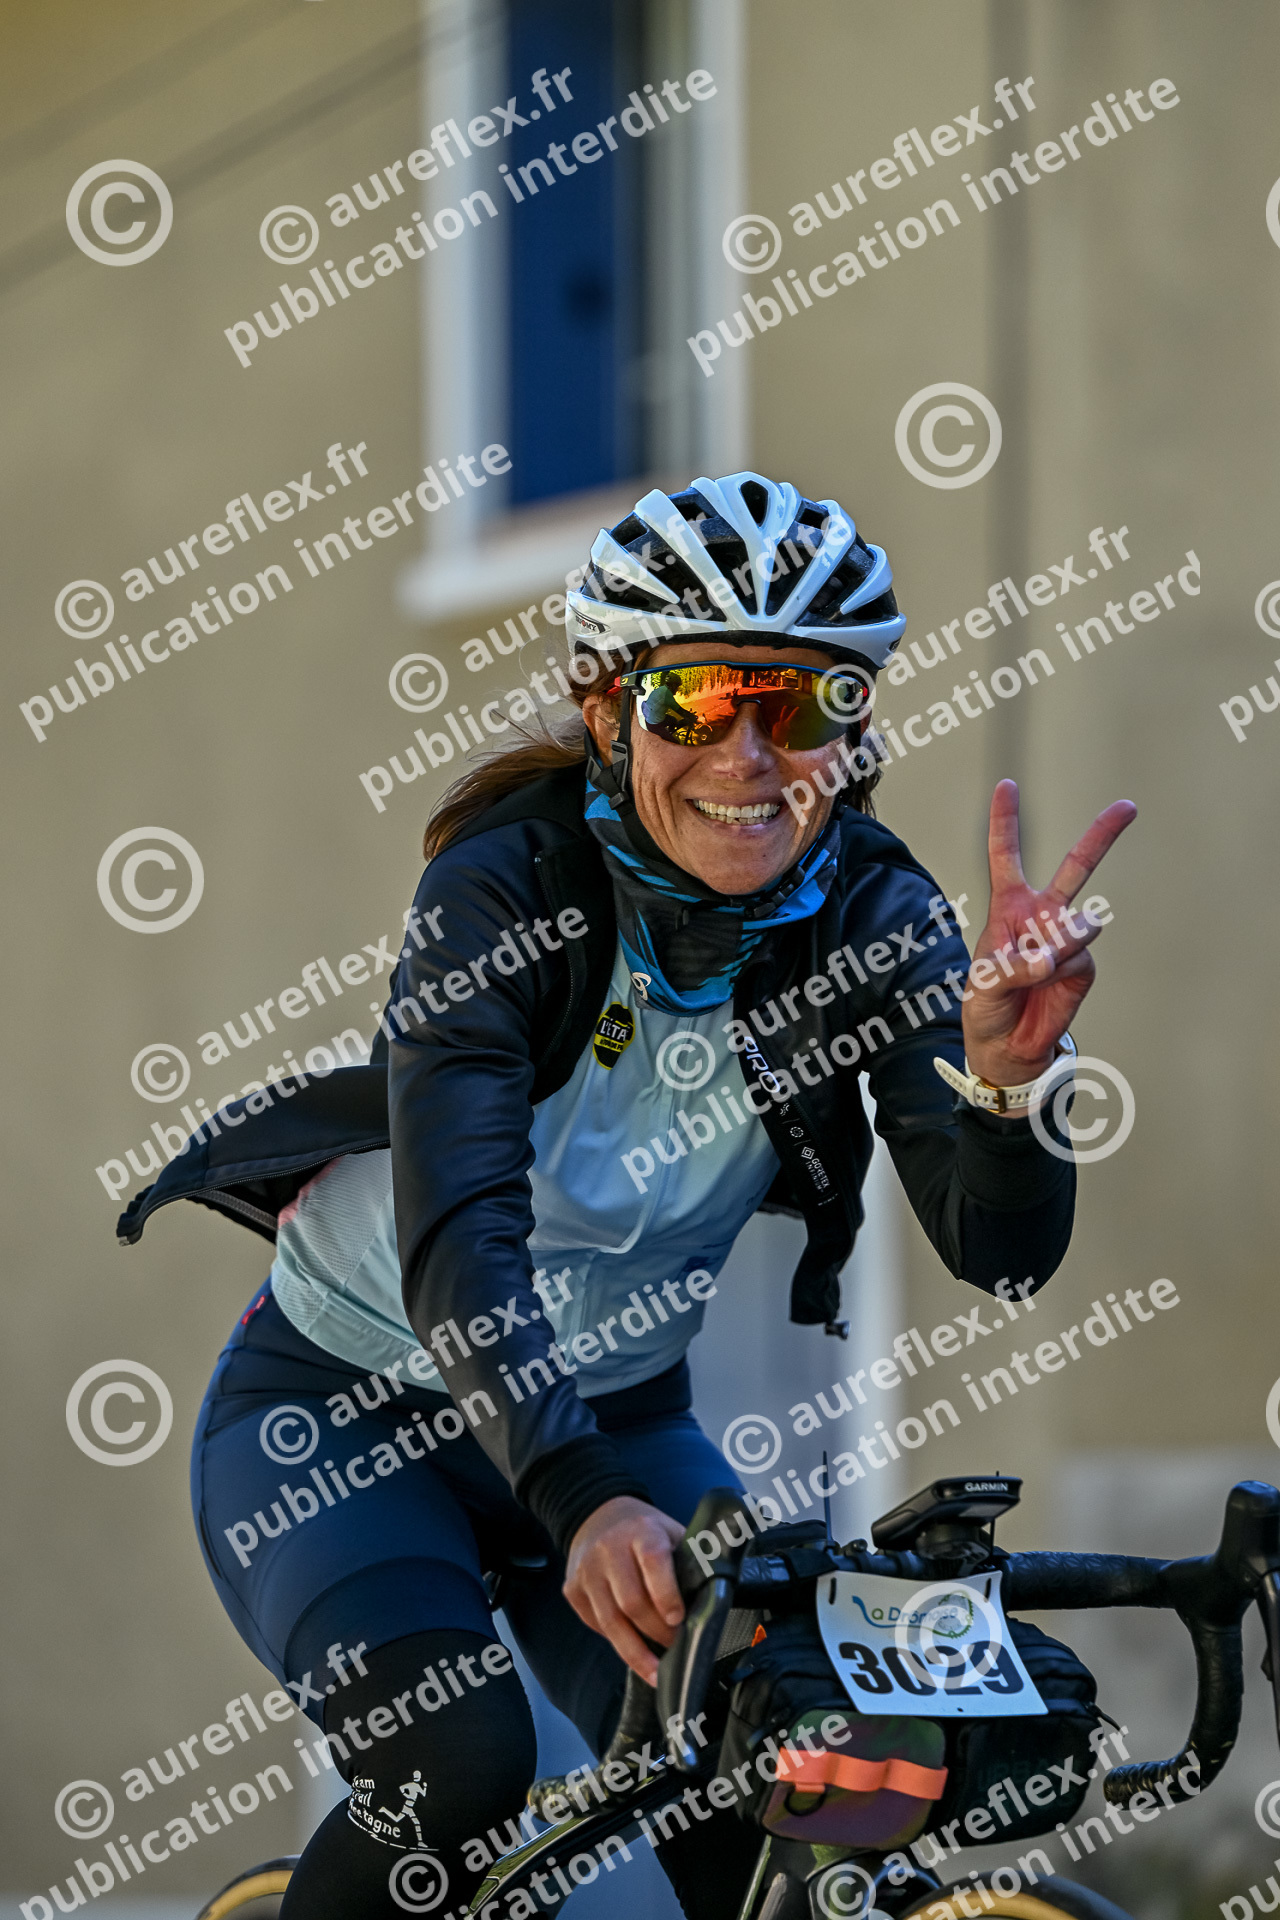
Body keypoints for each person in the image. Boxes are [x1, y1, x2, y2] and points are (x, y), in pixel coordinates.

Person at [119, 473, 1135, 1920]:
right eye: (697, 701)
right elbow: (462, 1230)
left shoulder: (877, 913)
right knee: (454, 1768)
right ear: (608, 709)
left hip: (619, 1417)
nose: (749, 755)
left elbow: (1001, 1255)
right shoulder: (504, 887)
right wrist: (582, 1501)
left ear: (855, 731)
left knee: (784, 1777)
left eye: (803, 703)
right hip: (345, 1414)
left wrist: (1009, 1086)